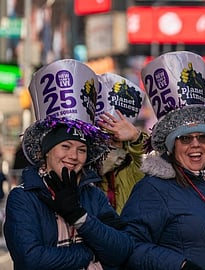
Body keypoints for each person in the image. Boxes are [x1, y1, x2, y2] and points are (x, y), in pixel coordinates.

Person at [121, 51, 205, 269]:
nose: (195, 144)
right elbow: (130, 246)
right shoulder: (152, 189)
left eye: (202, 137)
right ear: (172, 146)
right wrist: (178, 265)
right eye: (185, 138)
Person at [3, 59, 133, 269]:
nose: (74, 155)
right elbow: (31, 260)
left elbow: (123, 249)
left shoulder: (92, 195)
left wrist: (79, 216)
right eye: (65, 146)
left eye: (81, 149)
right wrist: (91, 252)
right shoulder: (23, 197)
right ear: (46, 152)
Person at [96, 73, 149, 214]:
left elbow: (150, 162)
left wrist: (136, 137)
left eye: (114, 139)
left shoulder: (133, 168)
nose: (108, 145)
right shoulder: (79, 169)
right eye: (102, 138)